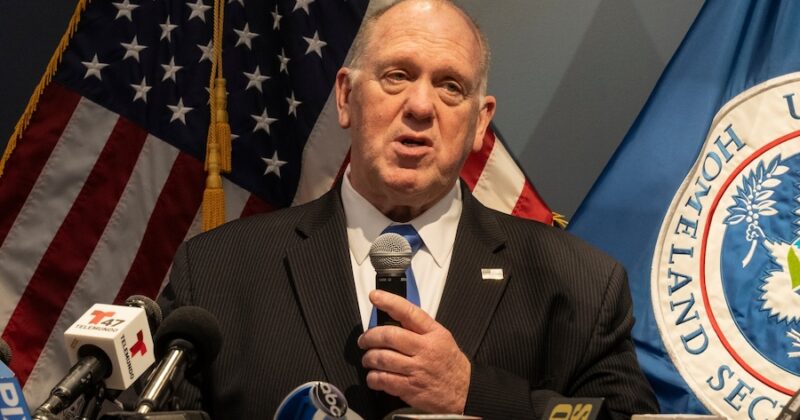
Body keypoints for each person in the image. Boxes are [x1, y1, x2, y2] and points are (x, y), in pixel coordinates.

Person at [160, 0, 660, 418]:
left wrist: (473, 394)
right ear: (346, 97)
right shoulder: (217, 273)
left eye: (450, 86)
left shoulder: (579, 284)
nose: (421, 107)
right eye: (397, 76)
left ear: (480, 122)